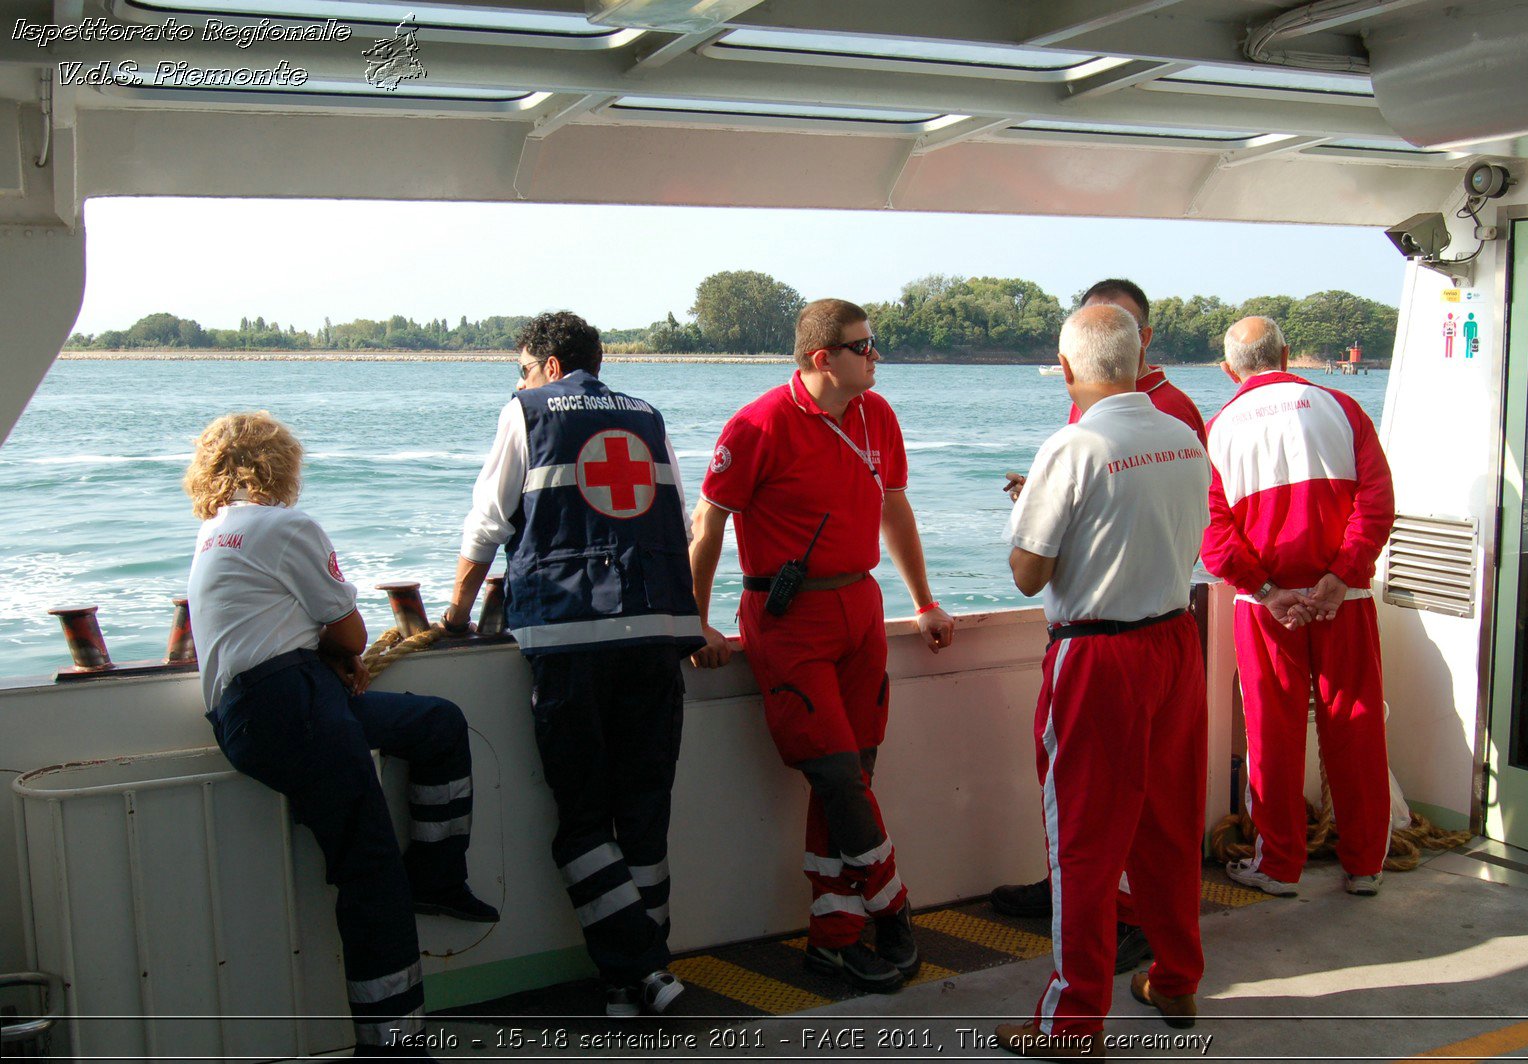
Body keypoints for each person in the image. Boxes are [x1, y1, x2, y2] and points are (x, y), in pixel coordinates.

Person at [184, 411, 498, 1060]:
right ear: (280, 465)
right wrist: (339, 653)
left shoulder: (214, 534)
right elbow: (351, 633)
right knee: (370, 873)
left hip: (252, 716)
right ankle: (392, 1047)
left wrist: (324, 661)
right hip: (292, 704)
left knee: (436, 725)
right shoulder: (283, 524)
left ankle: (437, 875)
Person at [687, 298, 955, 993]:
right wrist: (695, 619)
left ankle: (832, 940)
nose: (876, 357)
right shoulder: (757, 425)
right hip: (789, 619)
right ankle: (893, 908)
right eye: (864, 347)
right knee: (837, 776)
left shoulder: (879, 417)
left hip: (860, 607)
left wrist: (923, 601)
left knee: (853, 776)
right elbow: (707, 524)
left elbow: (895, 507)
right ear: (822, 359)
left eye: (874, 345)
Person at [441, 311, 703, 1018]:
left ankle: (639, 970)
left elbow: (489, 523)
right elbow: (680, 524)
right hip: (655, 635)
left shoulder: (526, 411)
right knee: (643, 814)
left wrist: (458, 613)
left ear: (550, 367)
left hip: (568, 641)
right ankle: (638, 981)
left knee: (583, 818)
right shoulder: (647, 415)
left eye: (523, 367)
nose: (522, 380)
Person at [995, 305, 1211, 1058]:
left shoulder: (1074, 445)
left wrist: (1026, 505)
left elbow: (1028, 575)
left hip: (1097, 658)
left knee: (1082, 844)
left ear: (1067, 368)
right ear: (1137, 355)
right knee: (1169, 825)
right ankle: (1177, 975)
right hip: (1176, 644)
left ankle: (1072, 1022)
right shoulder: (1183, 436)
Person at [1202, 316, 1396, 898]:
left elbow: (1213, 534)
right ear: (1286, 354)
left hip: (1264, 610)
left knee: (1272, 734)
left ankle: (1279, 865)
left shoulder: (1217, 430)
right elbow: (1377, 501)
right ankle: (1364, 864)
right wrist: (1340, 576)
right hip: (1348, 600)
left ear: (1229, 368)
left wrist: (1266, 591)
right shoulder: (1344, 409)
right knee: (1356, 725)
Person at [1001, 278, 1205, 503]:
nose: (1103, 336)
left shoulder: (1171, 407)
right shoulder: (1084, 401)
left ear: (1144, 338)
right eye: (1091, 327)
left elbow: (1164, 503)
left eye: (1119, 325)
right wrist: (1045, 494)